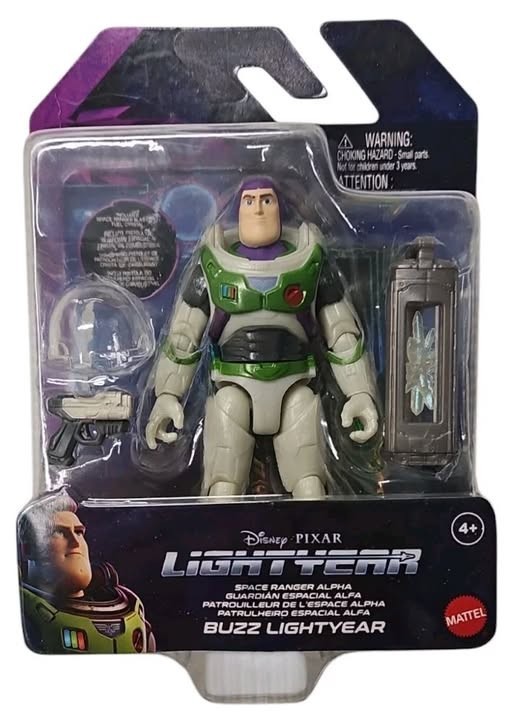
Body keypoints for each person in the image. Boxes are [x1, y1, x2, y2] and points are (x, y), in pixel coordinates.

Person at [146, 177, 378, 498]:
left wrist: (360, 393)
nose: (258, 209)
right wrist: (167, 394)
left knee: (310, 484)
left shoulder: (309, 264)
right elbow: (183, 337)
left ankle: (316, 524)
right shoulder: (214, 267)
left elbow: (341, 334)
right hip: (233, 384)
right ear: (239, 209)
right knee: (224, 485)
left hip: (295, 385)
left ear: (279, 208)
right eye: (250, 201)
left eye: (266, 200)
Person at [19, 490, 155, 653]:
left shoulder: (131, 609)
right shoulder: (24, 615)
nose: (75, 542)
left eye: (78, 532)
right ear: (28, 549)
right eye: (59, 532)